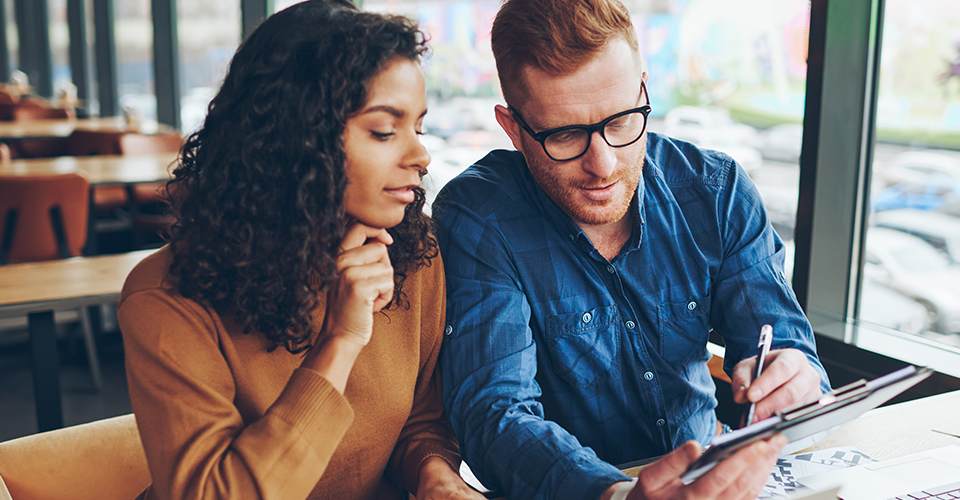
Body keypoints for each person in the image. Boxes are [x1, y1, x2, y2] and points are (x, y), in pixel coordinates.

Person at [431, 0, 832, 498]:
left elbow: (789, 348)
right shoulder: (481, 218)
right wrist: (619, 495)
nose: (603, 165)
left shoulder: (715, 190)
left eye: (621, 121)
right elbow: (494, 417)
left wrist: (796, 379)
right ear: (513, 128)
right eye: (565, 134)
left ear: (644, 88)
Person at [117, 2, 486, 499]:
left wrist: (435, 476)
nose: (420, 155)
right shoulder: (165, 299)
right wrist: (339, 341)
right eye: (384, 130)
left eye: (416, 127)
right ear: (297, 139)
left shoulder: (412, 253)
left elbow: (420, 421)